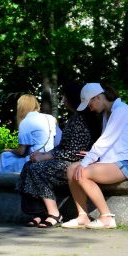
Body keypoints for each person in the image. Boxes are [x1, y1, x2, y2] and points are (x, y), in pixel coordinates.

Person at [19, 81, 100, 228]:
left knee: (37, 169)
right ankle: (37, 213)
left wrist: (45, 156)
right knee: (28, 166)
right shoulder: (75, 118)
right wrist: (43, 154)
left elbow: (73, 152)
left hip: (76, 163)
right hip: (68, 159)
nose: (62, 100)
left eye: (64, 96)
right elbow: (64, 148)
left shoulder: (80, 121)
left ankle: (54, 213)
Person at [61, 83, 128, 229]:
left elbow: (105, 141)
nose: (89, 107)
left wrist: (87, 161)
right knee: (72, 169)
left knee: (82, 172)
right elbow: (109, 143)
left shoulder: (121, 111)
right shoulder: (108, 113)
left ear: (98, 97)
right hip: (114, 162)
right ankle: (82, 217)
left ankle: (106, 217)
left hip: (127, 163)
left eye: (89, 103)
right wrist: (93, 157)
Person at [0, 94, 57, 174]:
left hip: (34, 159)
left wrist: (10, 150)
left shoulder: (26, 122)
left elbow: (21, 152)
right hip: (50, 156)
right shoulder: (50, 118)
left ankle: (2, 184)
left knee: (4, 156)